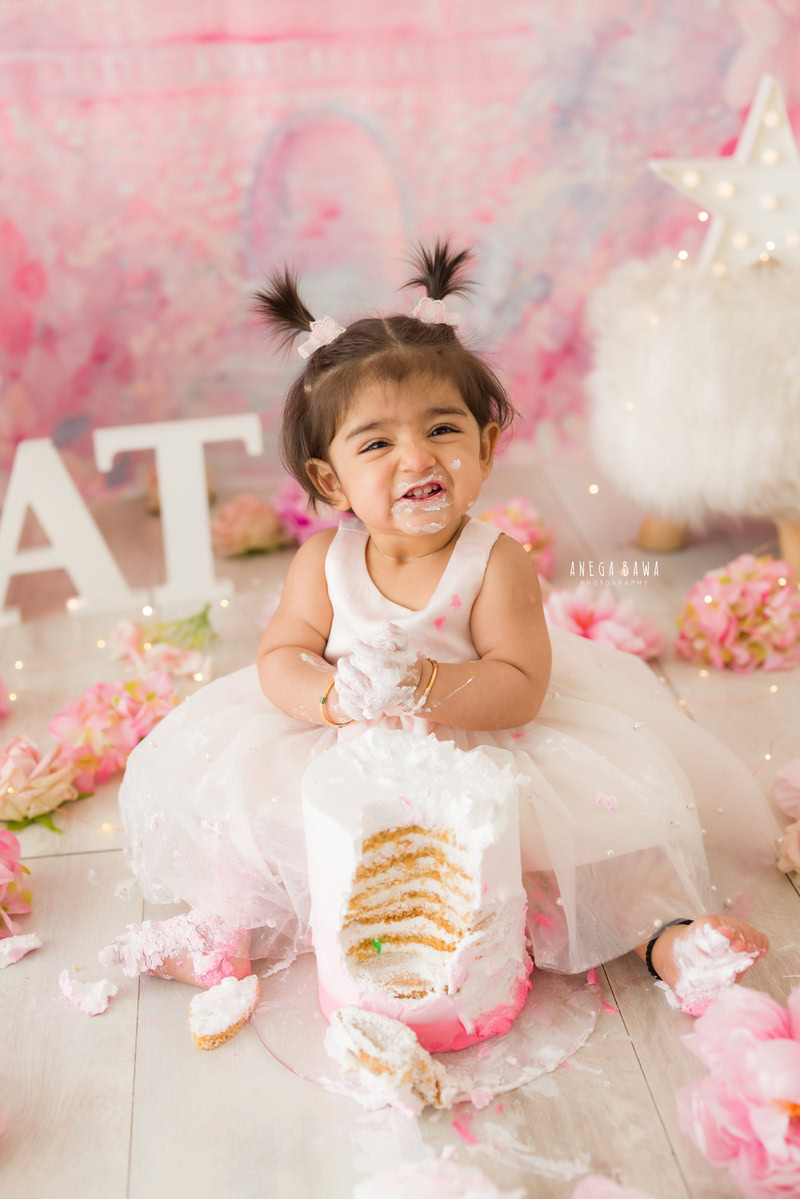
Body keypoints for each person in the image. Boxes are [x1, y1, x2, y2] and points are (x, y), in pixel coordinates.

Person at [114, 237, 777, 1016]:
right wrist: (328, 696)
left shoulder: (495, 563)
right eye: (377, 442)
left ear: (487, 445)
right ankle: (222, 927)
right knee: (249, 815)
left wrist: (429, 683)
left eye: (441, 429)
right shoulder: (323, 562)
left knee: (593, 848)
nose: (415, 457)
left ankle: (663, 934)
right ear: (331, 480)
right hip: (349, 751)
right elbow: (281, 655)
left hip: (485, 747)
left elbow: (520, 685)